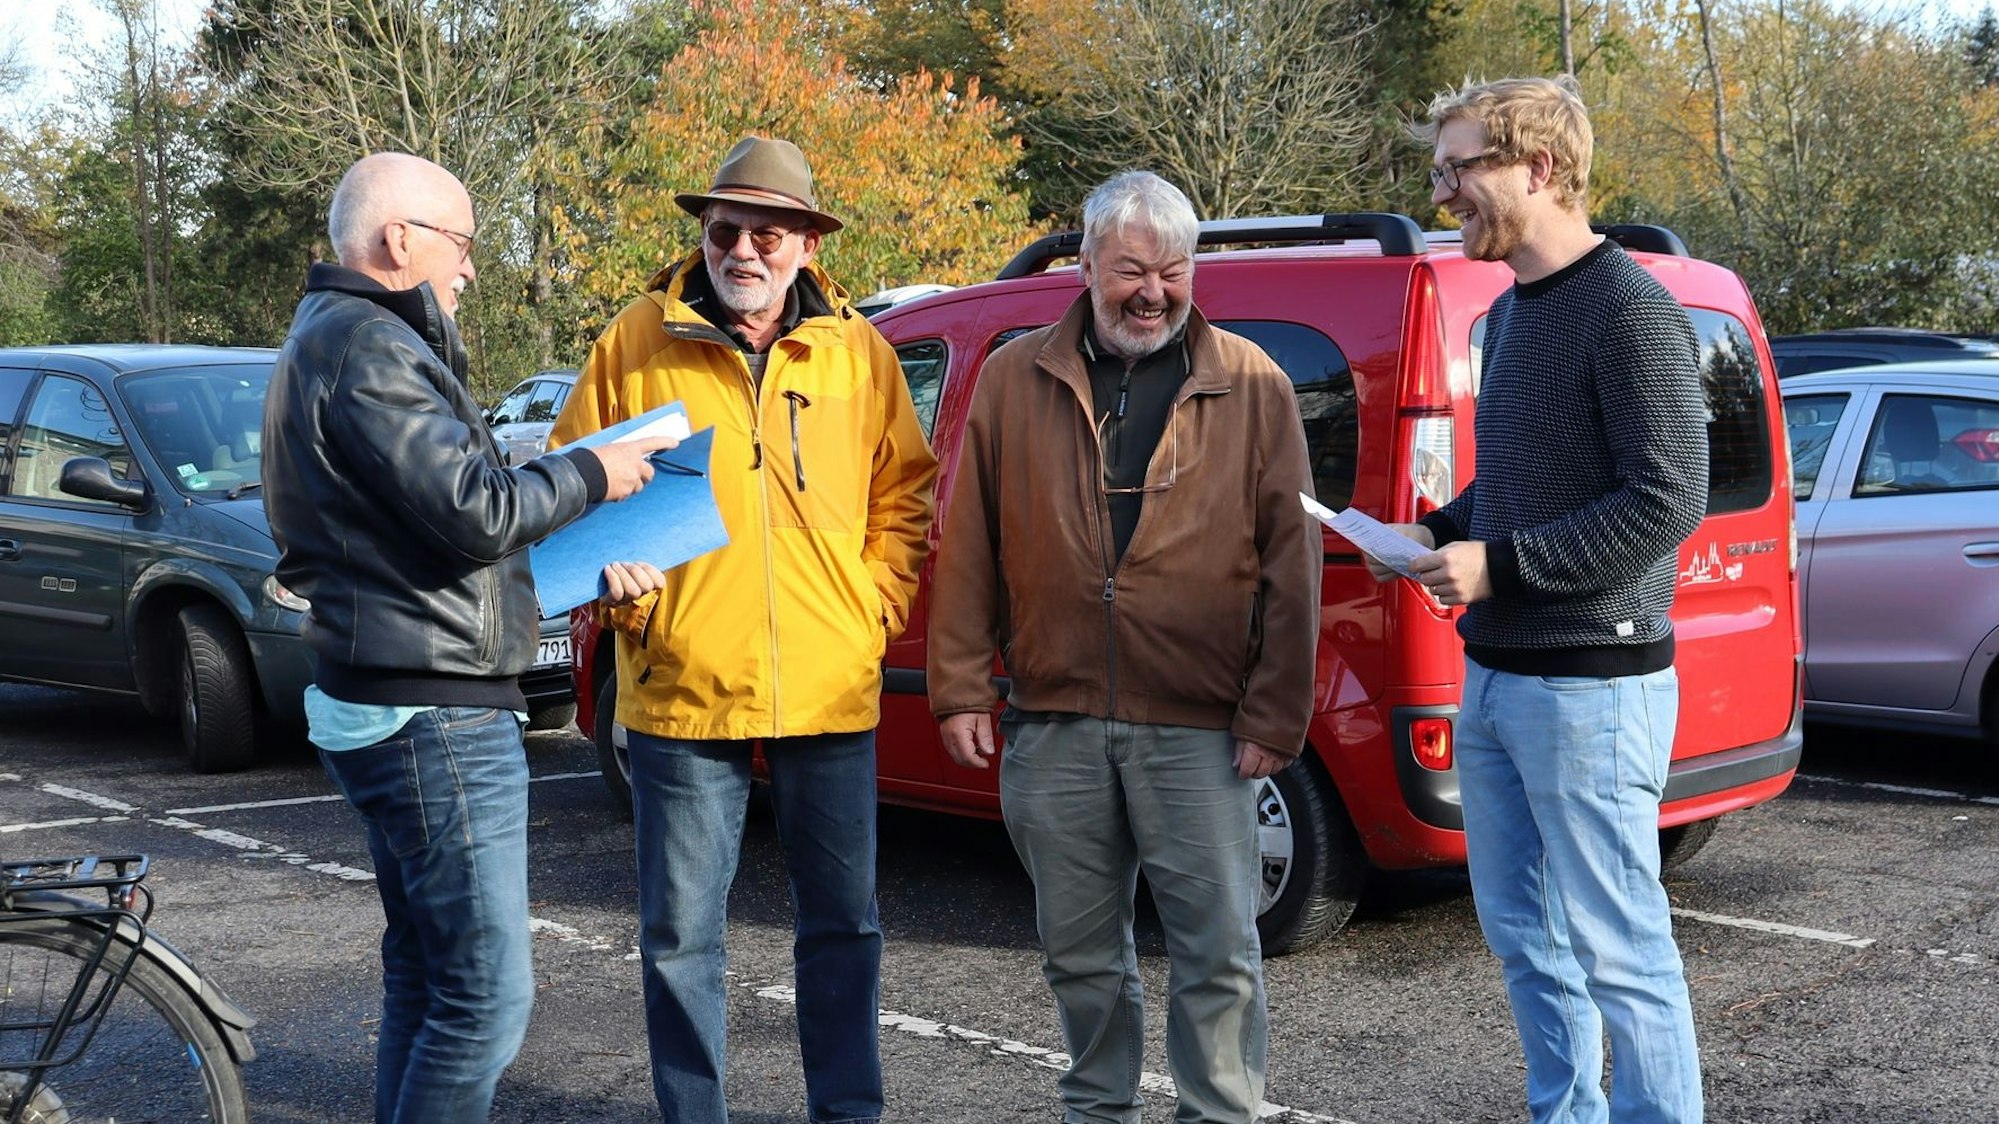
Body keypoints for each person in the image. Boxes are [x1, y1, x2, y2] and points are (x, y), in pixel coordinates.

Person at [260, 153, 674, 1123]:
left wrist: (576, 555)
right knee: (484, 999)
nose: (471, 267)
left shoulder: (341, 336)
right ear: (398, 239)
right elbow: (475, 510)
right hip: (431, 710)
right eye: (462, 243)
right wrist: (594, 473)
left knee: (427, 975)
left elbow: (428, 528)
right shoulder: (368, 345)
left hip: (400, 688)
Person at [547, 135, 936, 1124]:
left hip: (829, 683)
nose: (743, 251)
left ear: (808, 244)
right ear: (704, 235)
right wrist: (626, 600)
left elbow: (906, 493)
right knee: (680, 936)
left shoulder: (858, 352)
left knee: (843, 926)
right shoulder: (633, 342)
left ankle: (847, 1111)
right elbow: (567, 490)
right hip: (682, 685)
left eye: (768, 233)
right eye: (725, 231)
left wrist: (871, 608)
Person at [926, 170, 1321, 1124]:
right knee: (1080, 957)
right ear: (1087, 266)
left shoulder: (1252, 382)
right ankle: (1097, 1111)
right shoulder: (1012, 377)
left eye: (1172, 271)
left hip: (1199, 728)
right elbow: (969, 539)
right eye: (1131, 270)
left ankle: (1217, 1114)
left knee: (1218, 955)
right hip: (1053, 719)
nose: (1152, 292)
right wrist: (959, 686)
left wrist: (1276, 710)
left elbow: (1292, 558)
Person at [1367, 77, 1711, 1123]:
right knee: (1525, 936)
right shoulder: (1509, 315)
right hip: (1495, 678)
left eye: (1458, 170)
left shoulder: (1631, 311)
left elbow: (1668, 498)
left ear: (1539, 168)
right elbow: (1517, 484)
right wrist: (1436, 531)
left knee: (1621, 950)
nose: (1442, 195)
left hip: (1591, 691)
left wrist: (1499, 567)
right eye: (1439, 172)